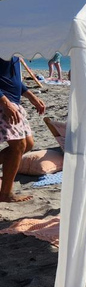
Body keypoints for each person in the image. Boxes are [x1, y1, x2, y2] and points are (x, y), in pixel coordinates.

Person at [0, 57, 46, 202]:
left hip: (13, 102)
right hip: (4, 103)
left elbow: (12, 79)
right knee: (18, 145)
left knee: (29, 143)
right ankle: (6, 193)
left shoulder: (13, 50)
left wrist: (31, 96)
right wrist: (4, 102)